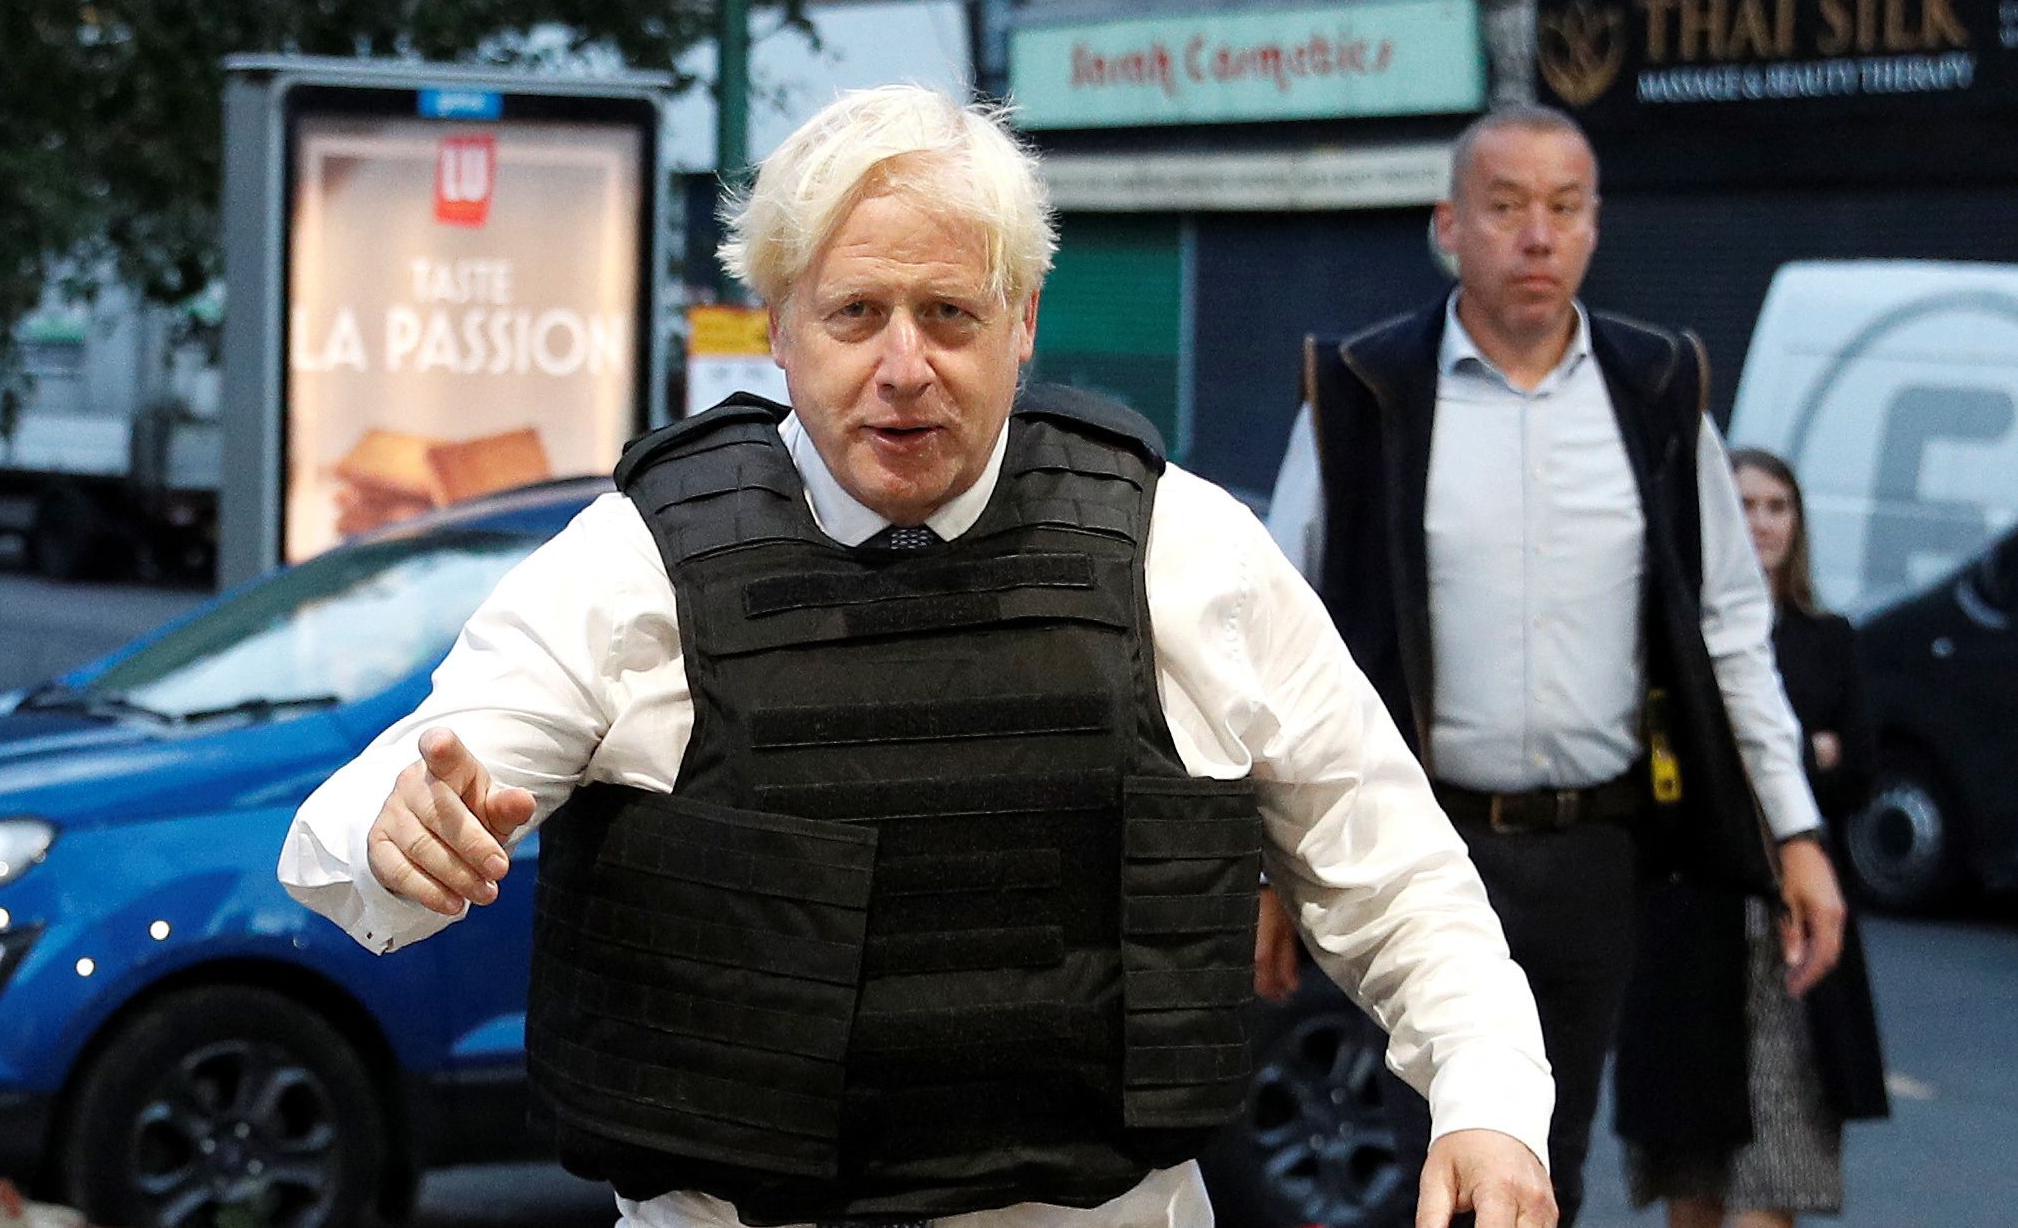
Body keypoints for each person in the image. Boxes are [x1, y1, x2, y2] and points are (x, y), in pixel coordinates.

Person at [279, 86, 1559, 1228]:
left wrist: (1490, 1100)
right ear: (778, 325)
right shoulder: (633, 567)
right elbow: (383, 811)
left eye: (951, 312)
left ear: (1023, 325)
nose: (905, 368)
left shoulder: (1186, 549)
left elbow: (1394, 868)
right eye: (856, 313)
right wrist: (394, 838)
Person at [1264, 103, 1848, 1228]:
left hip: (1596, 851)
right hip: (1419, 853)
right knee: (1425, 1154)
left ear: (1593, 228)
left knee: (1552, 1165)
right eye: (1505, 206)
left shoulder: (1658, 393)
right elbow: (1291, 645)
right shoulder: (1365, 391)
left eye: (1565, 209)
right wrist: (1270, 866)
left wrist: (1798, 832)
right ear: (1449, 225)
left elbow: (1730, 627)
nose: (1537, 236)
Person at [1612, 448, 1890, 1228]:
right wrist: (1807, 748)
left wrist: (1772, 758)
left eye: (1777, 505)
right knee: (1691, 1186)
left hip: (1794, 930)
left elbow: (1856, 770)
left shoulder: (1826, 636)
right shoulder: (1668, 635)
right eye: (1743, 504)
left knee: (1772, 1182)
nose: (1760, 522)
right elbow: (1665, 769)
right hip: (1684, 925)